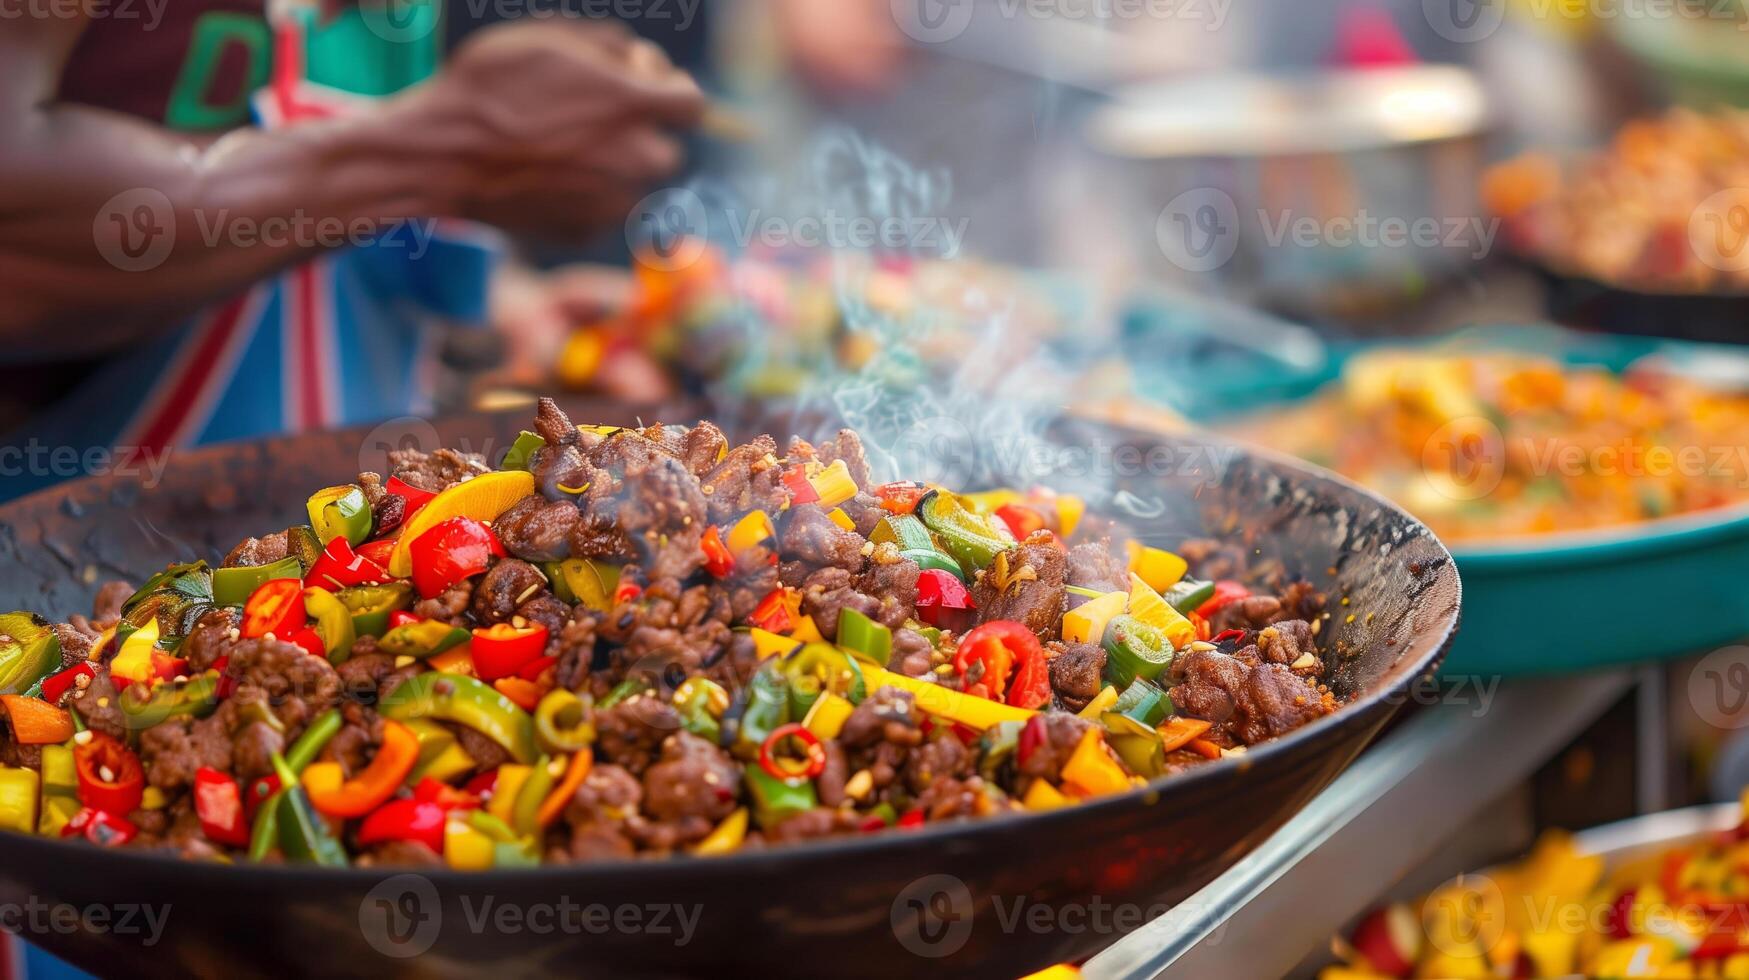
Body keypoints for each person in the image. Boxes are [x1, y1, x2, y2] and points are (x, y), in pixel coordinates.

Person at [0, 1, 704, 499]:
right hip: (70, 578)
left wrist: (509, 307)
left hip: (349, 548)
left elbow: (331, 185)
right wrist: (447, 145)